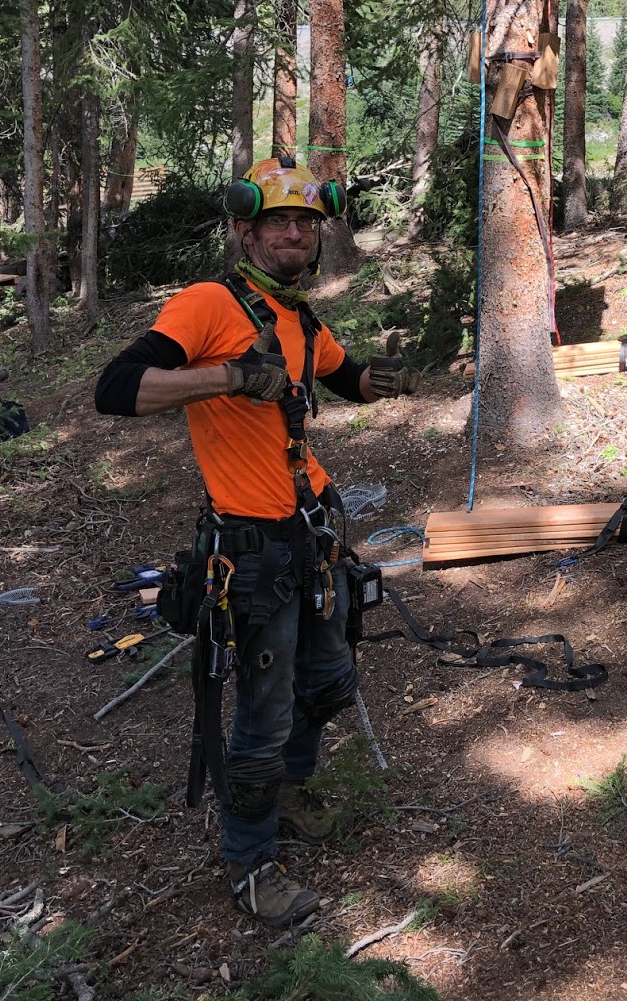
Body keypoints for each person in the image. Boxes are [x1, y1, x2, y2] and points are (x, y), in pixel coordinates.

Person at [93, 158, 421, 923]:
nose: (294, 233)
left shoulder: (299, 318)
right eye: (279, 221)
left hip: (308, 537)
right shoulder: (211, 304)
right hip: (249, 546)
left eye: (306, 223)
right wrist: (232, 378)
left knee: (332, 679)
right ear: (246, 230)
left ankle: (290, 797)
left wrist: (390, 378)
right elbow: (115, 390)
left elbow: (346, 379)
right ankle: (249, 862)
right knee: (262, 714)